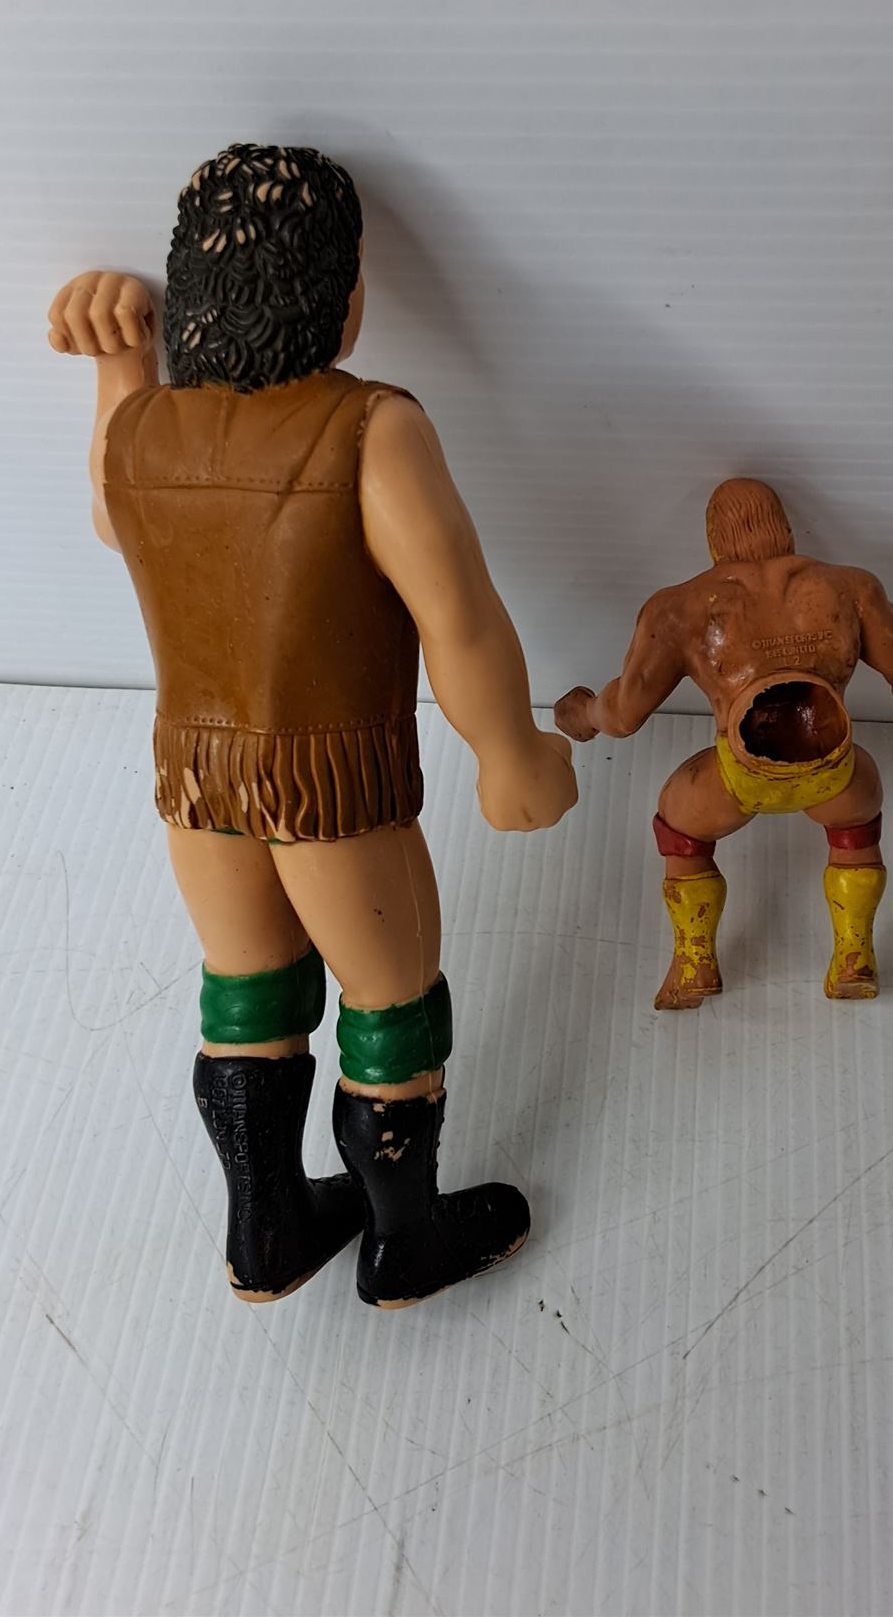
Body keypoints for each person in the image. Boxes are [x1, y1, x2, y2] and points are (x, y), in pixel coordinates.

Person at [48, 144, 575, 1307]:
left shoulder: (144, 430)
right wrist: (509, 751)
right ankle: (404, 1240)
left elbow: (112, 516)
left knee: (247, 997)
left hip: (197, 783)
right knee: (392, 1002)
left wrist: (122, 361)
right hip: (332, 789)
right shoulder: (369, 428)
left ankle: (269, 1228)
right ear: (344, 296)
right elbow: (457, 611)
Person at [555, 479, 893, 1009]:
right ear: (785, 529)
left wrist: (583, 713)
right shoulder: (851, 586)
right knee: (859, 818)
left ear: (716, 540)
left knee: (679, 822)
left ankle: (694, 962)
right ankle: (854, 956)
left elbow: (623, 715)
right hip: (836, 773)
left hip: (739, 777)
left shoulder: (679, 607)